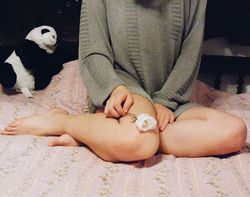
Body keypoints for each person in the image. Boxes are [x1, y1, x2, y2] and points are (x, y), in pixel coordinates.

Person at [1, 0, 247, 162]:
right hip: (125, 89)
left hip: (171, 97)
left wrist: (165, 101)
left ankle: (94, 135)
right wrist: (113, 88)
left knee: (234, 132)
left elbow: (190, 54)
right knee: (138, 142)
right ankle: (63, 121)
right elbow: (92, 51)